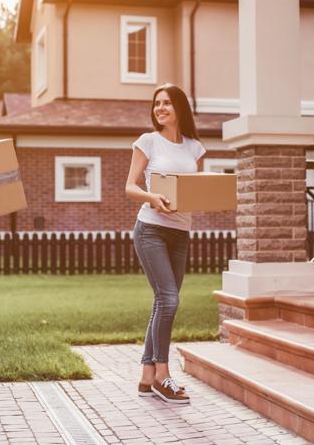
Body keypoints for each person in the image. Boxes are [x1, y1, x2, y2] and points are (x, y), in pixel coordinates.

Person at [124, 83, 205, 405]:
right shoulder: (148, 142)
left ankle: (146, 377)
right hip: (151, 229)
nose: (160, 108)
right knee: (169, 301)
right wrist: (151, 197)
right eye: (157, 103)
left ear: (180, 108)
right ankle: (162, 374)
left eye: (167, 103)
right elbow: (130, 186)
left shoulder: (194, 147)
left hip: (181, 233)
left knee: (163, 302)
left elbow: (194, 191)